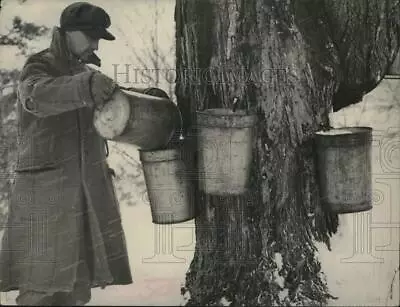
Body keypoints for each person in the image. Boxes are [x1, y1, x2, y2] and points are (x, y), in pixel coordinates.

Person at [0, 2, 133, 305]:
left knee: (75, 286)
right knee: (40, 286)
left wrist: (135, 101)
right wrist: (85, 85)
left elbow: (111, 113)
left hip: (82, 195)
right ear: (68, 33)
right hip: (46, 197)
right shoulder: (39, 66)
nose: (96, 44)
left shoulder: (87, 74)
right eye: (91, 36)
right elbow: (37, 96)